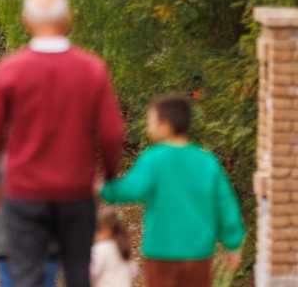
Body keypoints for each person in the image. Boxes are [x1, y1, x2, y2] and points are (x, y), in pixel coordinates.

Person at [0, 0, 124, 287]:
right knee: (78, 273)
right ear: (67, 18)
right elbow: (112, 133)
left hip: (23, 192)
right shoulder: (92, 69)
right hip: (76, 191)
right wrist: (107, 175)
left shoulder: (11, 70)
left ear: (26, 20)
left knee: (27, 276)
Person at [100, 95, 243, 287]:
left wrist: (104, 188)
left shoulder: (153, 159)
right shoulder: (206, 161)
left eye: (150, 120)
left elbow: (129, 189)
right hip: (198, 251)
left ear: (165, 125)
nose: (147, 125)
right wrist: (233, 243)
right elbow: (225, 203)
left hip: (160, 250)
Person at [90, 209, 136, 287]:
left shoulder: (100, 248)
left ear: (107, 230)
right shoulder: (122, 247)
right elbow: (134, 270)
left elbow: (94, 271)